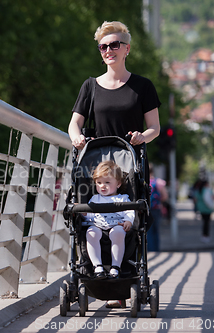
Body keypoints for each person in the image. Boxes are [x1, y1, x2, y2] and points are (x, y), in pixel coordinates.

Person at [68, 21, 161, 168]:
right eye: (103, 47)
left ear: (127, 48)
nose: (108, 50)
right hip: (98, 167)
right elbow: (75, 123)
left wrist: (142, 136)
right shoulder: (90, 86)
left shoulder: (144, 86)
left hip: (131, 167)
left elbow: (155, 127)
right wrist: (76, 138)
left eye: (114, 45)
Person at [84, 161, 134, 279]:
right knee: (91, 233)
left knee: (118, 232)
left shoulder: (122, 198)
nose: (102, 186)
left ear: (118, 184)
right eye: (99, 183)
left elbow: (129, 211)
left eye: (107, 182)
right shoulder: (95, 198)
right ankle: (97, 266)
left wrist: (128, 221)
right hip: (97, 225)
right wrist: (84, 212)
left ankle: (116, 266)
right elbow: (90, 216)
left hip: (117, 224)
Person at [147, 165, 168, 251]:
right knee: (156, 230)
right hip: (156, 208)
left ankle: (150, 249)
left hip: (147, 209)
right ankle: (156, 249)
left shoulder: (143, 182)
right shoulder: (158, 182)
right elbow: (165, 196)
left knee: (149, 231)